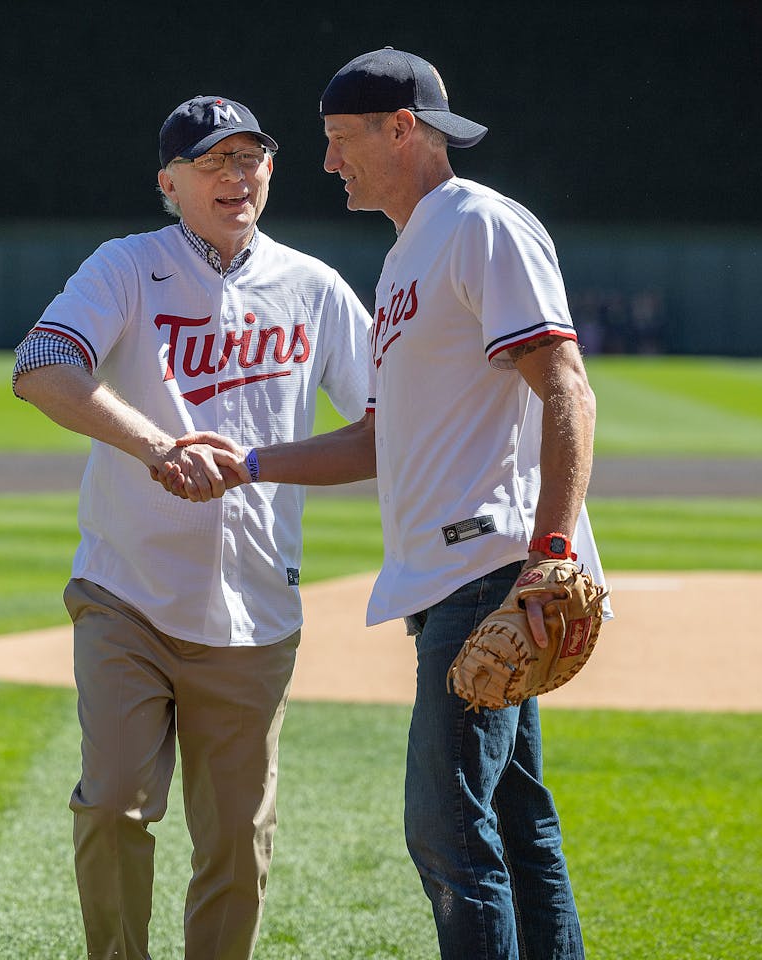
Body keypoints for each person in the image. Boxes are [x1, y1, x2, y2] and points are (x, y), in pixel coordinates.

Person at [162, 48, 610, 959]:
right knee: (516, 823)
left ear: (401, 129)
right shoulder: (411, 253)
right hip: (450, 579)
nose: (328, 164)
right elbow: (378, 441)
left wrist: (553, 550)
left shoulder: (479, 223)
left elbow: (565, 384)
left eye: (338, 140)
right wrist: (249, 462)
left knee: (445, 827)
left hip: (488, 570)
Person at [11, 94, 373, 960]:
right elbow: (41, 365)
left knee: (238, 848)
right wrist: (158, 448)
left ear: (272, 172)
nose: (235, 177)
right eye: (212, 162)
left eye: (249, 159)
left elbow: (385, 427)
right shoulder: (127, 267)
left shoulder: (312, 287)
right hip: (126, 592)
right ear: (168, 182)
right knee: (112, 805)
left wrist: (256, 464)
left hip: (255, 613)